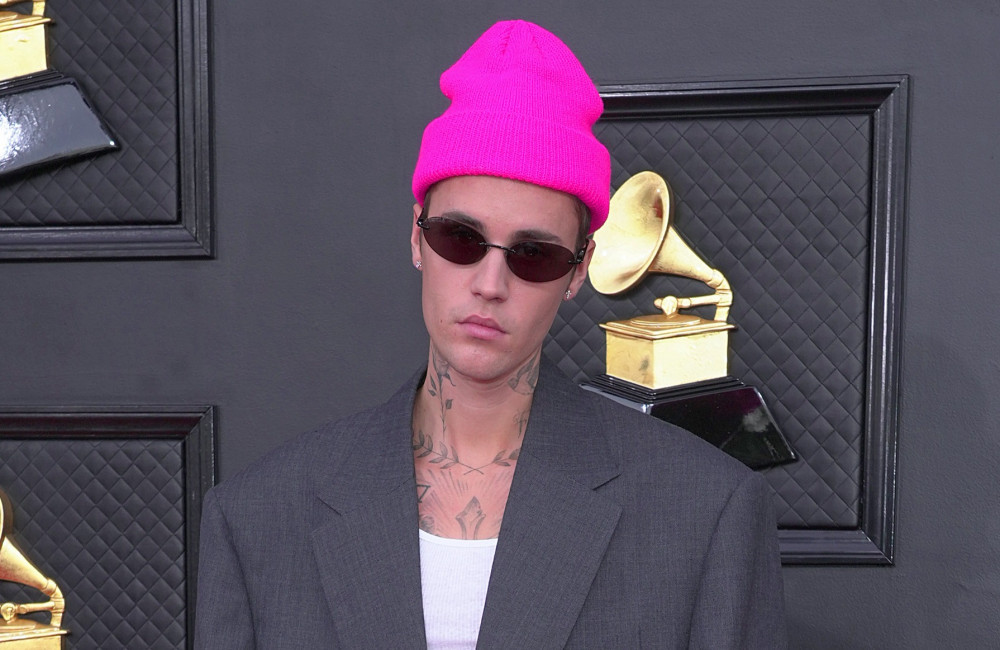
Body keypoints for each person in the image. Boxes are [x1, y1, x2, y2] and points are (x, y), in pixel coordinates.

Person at [194, 20, 787, 649]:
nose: (490, 283)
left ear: (578, 271)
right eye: (461, 239)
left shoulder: (707, 514)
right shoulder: (257, 517)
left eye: (534, 254)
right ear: (417, 238)